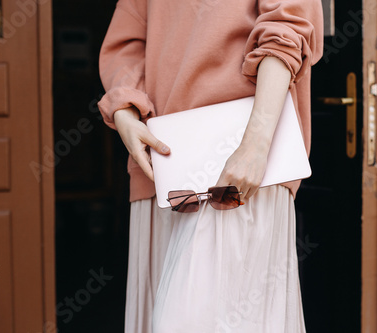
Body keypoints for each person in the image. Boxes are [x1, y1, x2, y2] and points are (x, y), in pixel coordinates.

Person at [98, 0, 323, 332]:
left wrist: (255, 147)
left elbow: (286, 29)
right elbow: (125, 43)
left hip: (239, 169)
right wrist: (124, 111)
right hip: (164, 167)